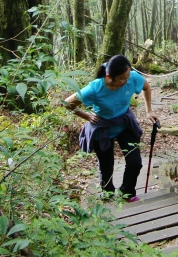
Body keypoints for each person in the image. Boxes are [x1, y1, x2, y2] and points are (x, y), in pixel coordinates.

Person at [63, 54, 154, 202]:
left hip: (124, 123)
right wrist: (85, 116)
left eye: (127, 76)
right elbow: (67, 103)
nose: (126, 81)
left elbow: (146, 86)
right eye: (122, 79)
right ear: (109, 76)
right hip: (102, 127)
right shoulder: (94, 88)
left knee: (135, 162)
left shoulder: (132, 77)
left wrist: (149, 110)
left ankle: (127, 192)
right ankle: (108, 193)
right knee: (106, 166)